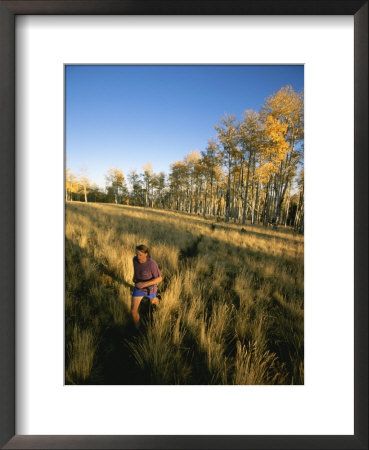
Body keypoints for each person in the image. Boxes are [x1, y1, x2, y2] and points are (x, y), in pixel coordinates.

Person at [131, 244, 162, 330]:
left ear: (146, 254)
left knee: (153, 304)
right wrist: (135, 278)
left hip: (150, 289)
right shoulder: (134, 260)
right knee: (133, 312)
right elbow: (136, 270)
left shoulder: (152, 264)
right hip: (138, 289)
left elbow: (159, 278)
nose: (138, 257)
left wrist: (143, 284)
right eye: (137, 254)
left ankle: (157, 299)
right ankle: (137, 328)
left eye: (140, 255)